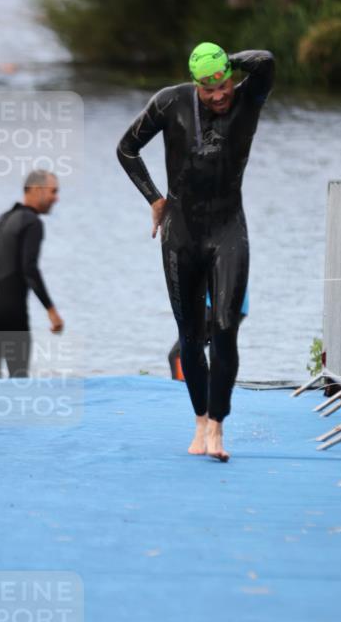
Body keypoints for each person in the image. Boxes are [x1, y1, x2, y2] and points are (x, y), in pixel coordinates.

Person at [117, 42, 275, 462]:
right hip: (181, 234)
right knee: (189, 335)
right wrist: (154, 199)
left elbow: (266, 61)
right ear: (194, 84)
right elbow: (126, 149)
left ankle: (218, 427)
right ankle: (201, 421)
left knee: (224, 327)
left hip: (228, 230)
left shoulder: (249, 99)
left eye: (223, 84)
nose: (219, 95)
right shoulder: (169, 102)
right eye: (208, 89)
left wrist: (225, 62)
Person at [0, 170, 64, 379]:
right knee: (18, 380)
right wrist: (51, 310)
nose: (56, 198)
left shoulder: (3, 218)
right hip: (10, 311)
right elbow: (29, 269)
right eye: (53, 191)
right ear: (36, 190)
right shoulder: (32, 222)